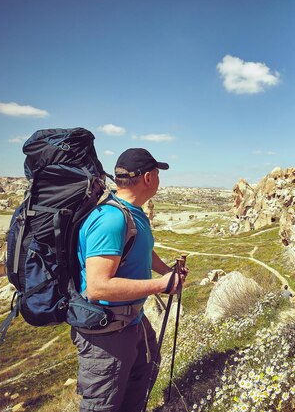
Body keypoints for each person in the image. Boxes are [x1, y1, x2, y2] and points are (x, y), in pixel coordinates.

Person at [71, 148, 187, 412]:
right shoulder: (110, 220)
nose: (159, 179)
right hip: (107, 334)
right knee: (104, 405)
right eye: (157, 174)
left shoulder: (133, 213)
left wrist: (166, 271)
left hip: (131, 321)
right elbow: (97, 287)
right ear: (148, 178)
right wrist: (161, 285)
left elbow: (140, 248)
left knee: (139, 387)